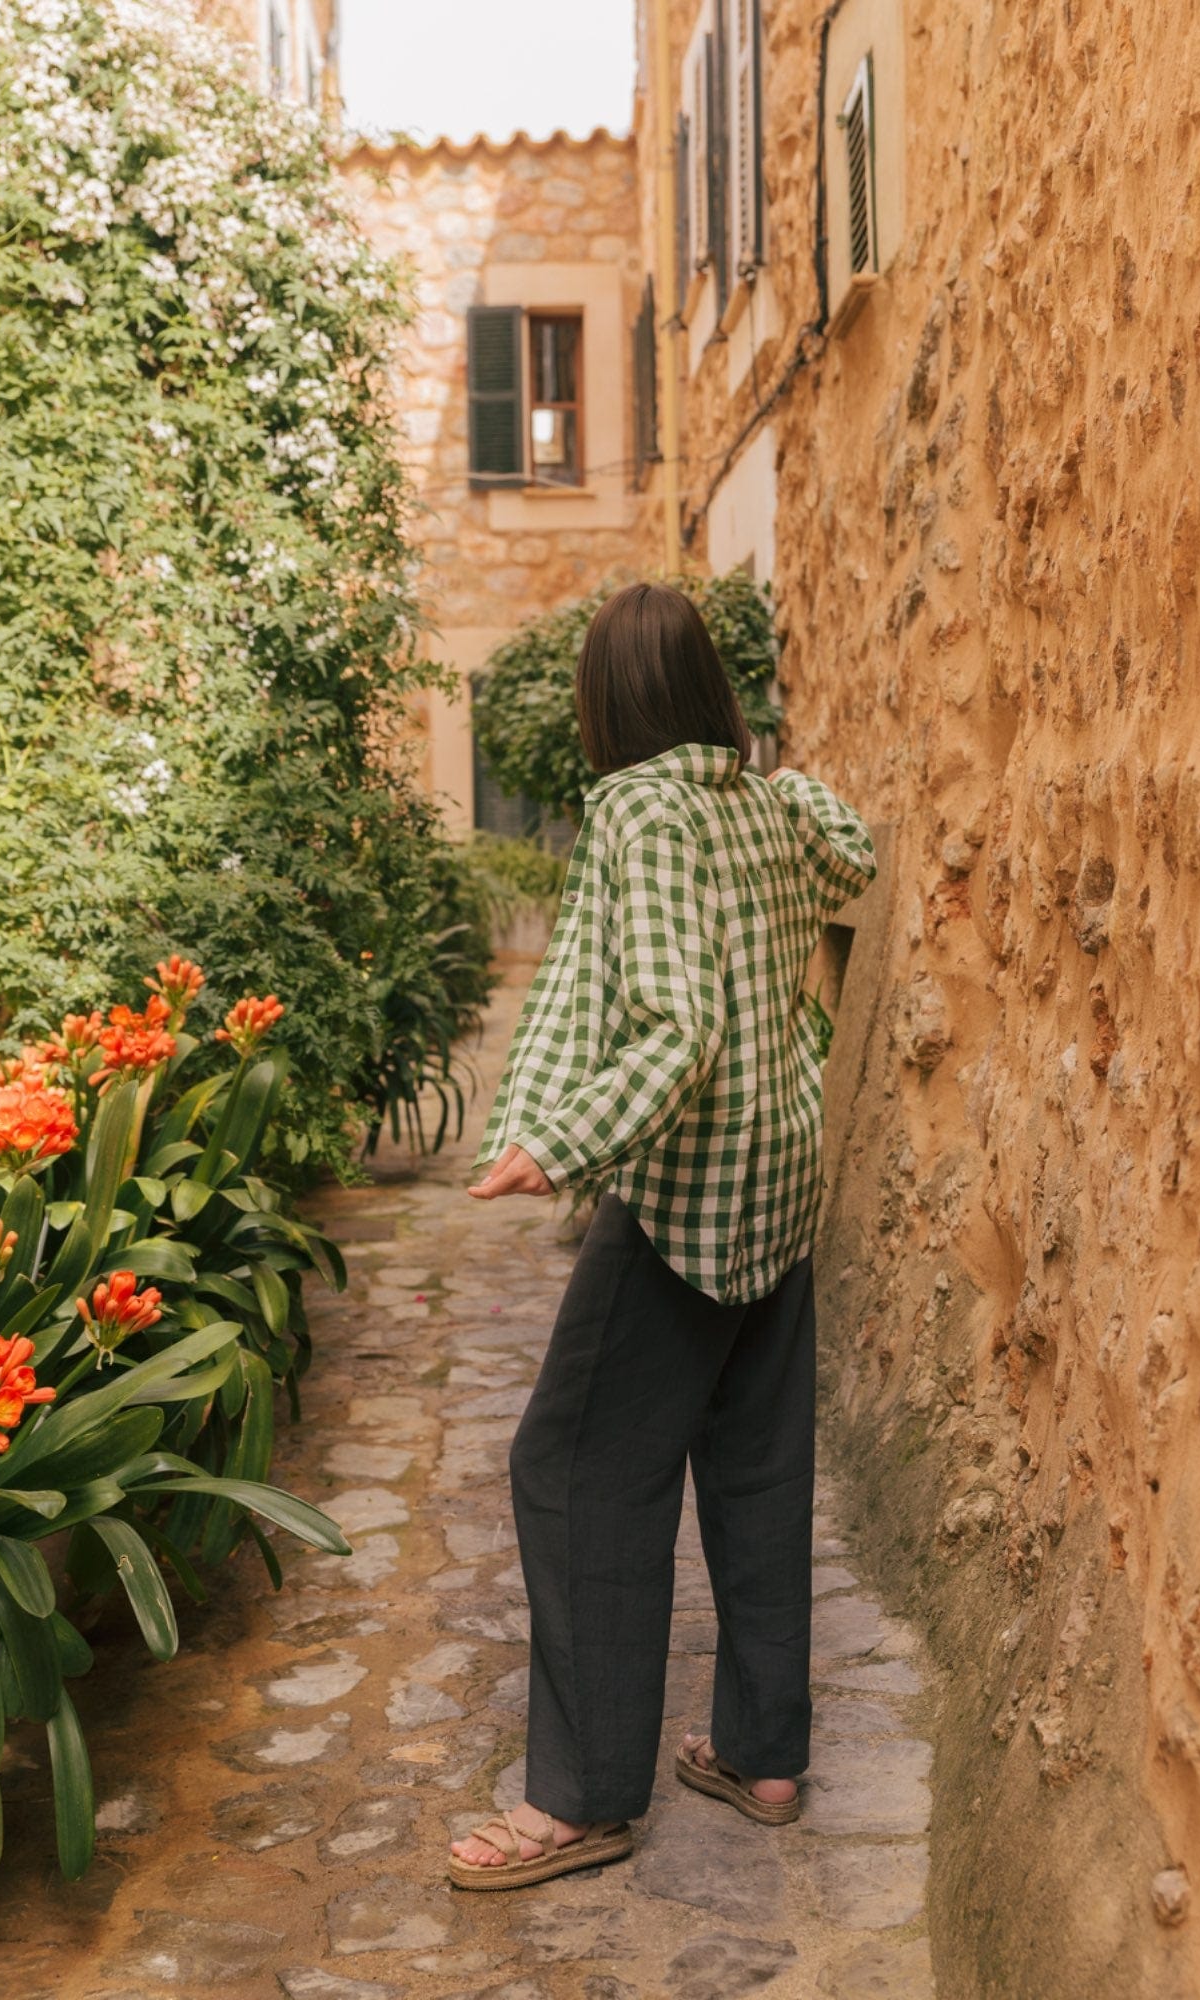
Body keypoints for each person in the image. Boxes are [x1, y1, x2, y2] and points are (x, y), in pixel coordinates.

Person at [447, 580, 876, 1890]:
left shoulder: (640, 810)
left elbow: (678, 1027)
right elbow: (857, 855)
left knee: (568, 1469)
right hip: (785, 1176)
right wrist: (785, 788)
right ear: (703, 690)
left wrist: (555, 1143)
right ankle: (763, 1757)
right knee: (754, 1466)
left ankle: (582, 1800)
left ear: (608, 701)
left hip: (690, 1190)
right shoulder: (769, 805)